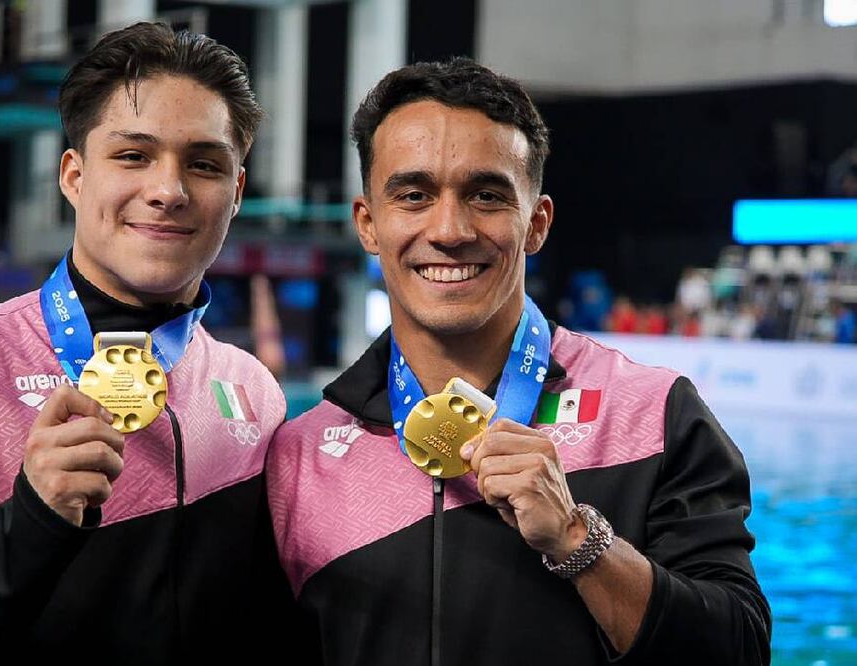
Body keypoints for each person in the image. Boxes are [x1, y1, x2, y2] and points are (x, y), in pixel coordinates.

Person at [266, 58, 770, 666]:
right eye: (414, 195)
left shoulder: (653, 416)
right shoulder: (300, 454)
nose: (449, 229)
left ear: (536, 222)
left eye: (485, 195)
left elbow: (739, 650)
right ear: (369, 224)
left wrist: (578, 540)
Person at [0, 23, 296, 665]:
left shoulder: (254, 391)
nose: (169, 190)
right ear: (74, 177)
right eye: (133, 156)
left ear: (236, 193)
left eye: (205, 163)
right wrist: (33, 523)